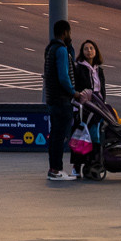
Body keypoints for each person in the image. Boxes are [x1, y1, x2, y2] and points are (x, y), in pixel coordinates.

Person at [43, 20, 79, 182]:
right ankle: (56, 170)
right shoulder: (61, 50)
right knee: (60, 136)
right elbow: (64, 76)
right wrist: (73, 92)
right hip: (62, 100)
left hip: (52, 99)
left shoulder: (50, 48)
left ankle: (53, 168)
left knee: (55, 136)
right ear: (65, 33)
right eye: (69, 33)